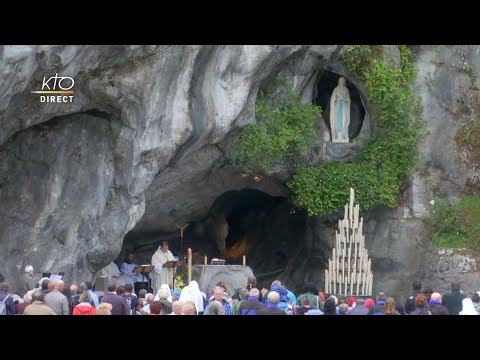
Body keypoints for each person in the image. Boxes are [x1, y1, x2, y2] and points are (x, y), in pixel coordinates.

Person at [329, 76, 351, 143]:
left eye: (343, 80)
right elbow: (332, 99)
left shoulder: (346, 90)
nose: (341, 82)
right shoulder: (336, 89)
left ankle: (344, 136)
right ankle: (336, 136)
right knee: (337, 121)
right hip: (337, 108)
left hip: (344, 108)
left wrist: (344, 99)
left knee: (344, 121)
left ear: (344, 82)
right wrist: (337, 99)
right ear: (338, 81)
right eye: (340, 80)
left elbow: (349, 100)